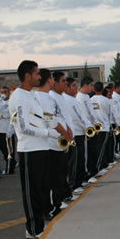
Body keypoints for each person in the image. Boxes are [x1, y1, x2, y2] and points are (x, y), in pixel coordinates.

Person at [9, 60, 68, 239]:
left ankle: (39, 225)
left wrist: (58, 131)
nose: (39, 76)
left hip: (41, 148)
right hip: (29, 150)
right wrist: (48, 133)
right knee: (31, 191)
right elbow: (23, 127)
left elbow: (44, 118)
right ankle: (33, 228)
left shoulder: (32, 95)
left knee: (42, 188)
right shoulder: (19, 96)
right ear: (27, 76)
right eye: (36, 73)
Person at [36, 70, 71, 214]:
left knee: (59, 175)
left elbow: (59, 116)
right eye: (51, 78)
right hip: (50, 142)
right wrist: (65, 133)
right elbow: (51, 121)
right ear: (49, 80)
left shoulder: (49, 97)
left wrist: (68, 129)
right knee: (52, 178)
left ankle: (58, 201)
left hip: (58, 142)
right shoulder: (40, 97)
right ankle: (51, 207)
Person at [0, 87, 16, 175]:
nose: (3, 94)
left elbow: (13, 117)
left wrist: (11, 129)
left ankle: (10, 168)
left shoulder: (11, 102)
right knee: (2, 148)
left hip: (7, 127)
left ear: (9, 93)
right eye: (1, 92)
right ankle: (12, 163)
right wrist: (0, 100)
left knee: (9, 150)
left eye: (5, 92)